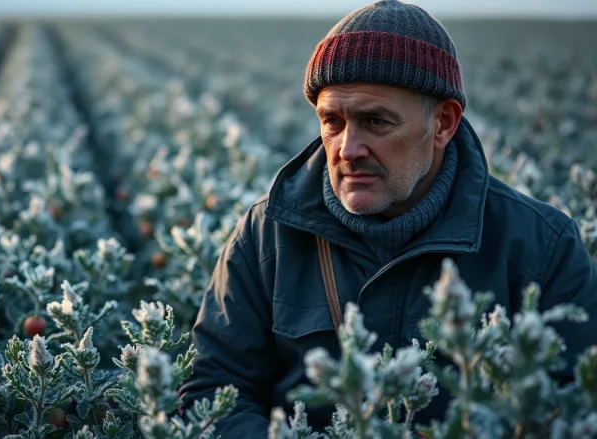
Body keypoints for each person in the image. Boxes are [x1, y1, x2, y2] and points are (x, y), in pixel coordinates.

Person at [177, 0, 597, 436]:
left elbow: (576, 406)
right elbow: (215, 394)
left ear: (443, 123)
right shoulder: (266, 236)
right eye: (332, 121)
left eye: (376, 121)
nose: (347, 148)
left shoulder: (541, 246)